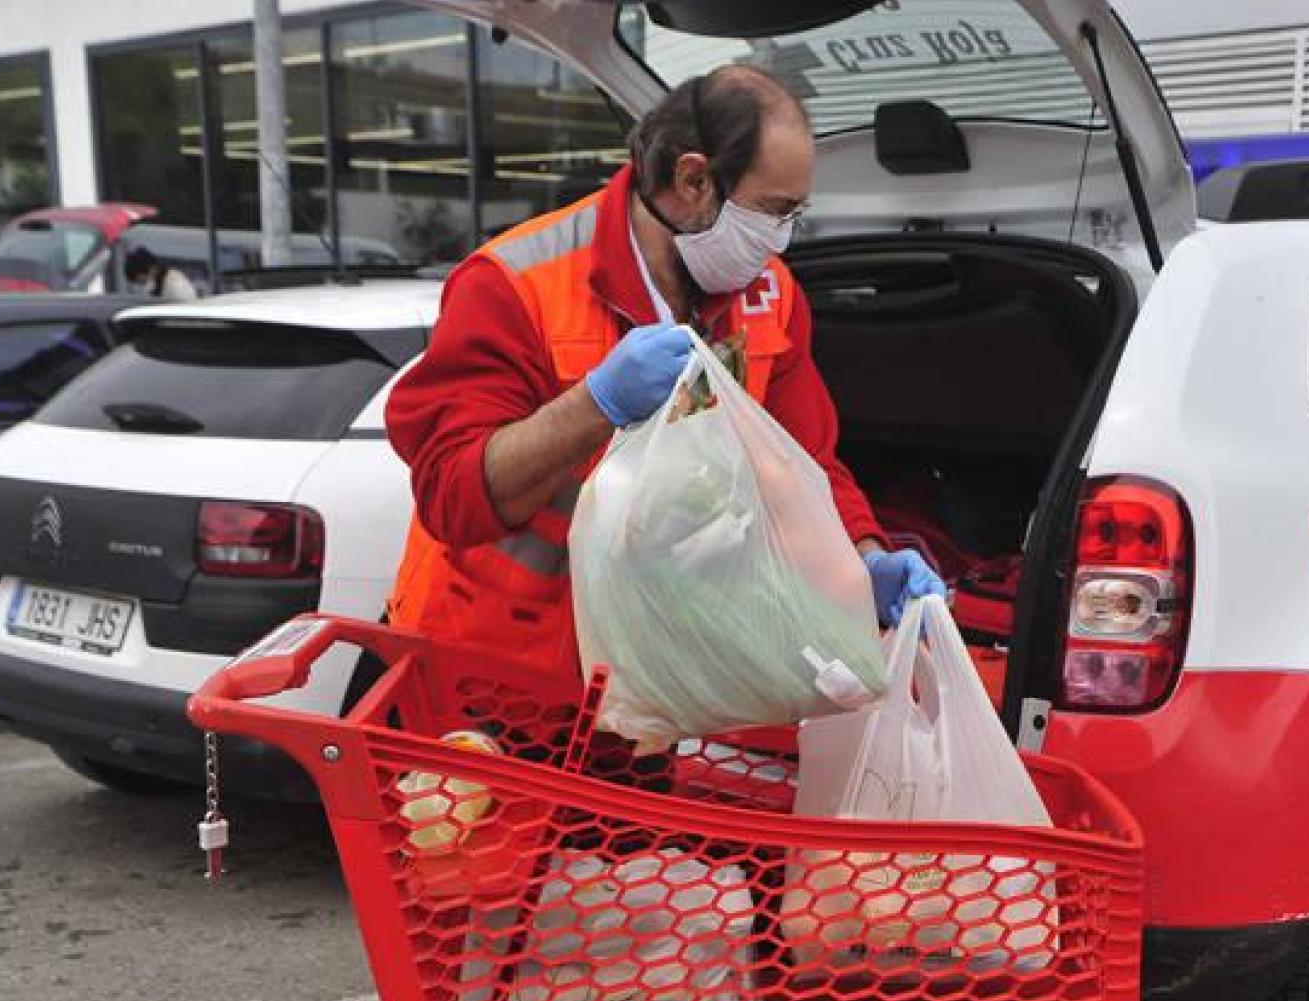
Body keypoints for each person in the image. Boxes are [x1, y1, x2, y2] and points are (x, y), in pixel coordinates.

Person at [384, 64, 944, 701]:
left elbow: (806, 466)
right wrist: (595, 404)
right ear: (693, 178)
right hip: (490, 679)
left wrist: (862, 561)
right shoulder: (515, 286)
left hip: (650, 681)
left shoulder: (769, 298)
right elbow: (451, 493)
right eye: (772, 211)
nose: (781, 241)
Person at [122, 246, 200, 301]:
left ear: (152, 269)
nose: (143, 285)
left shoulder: (176, 285)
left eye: (143, 281)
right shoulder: (154, 284)